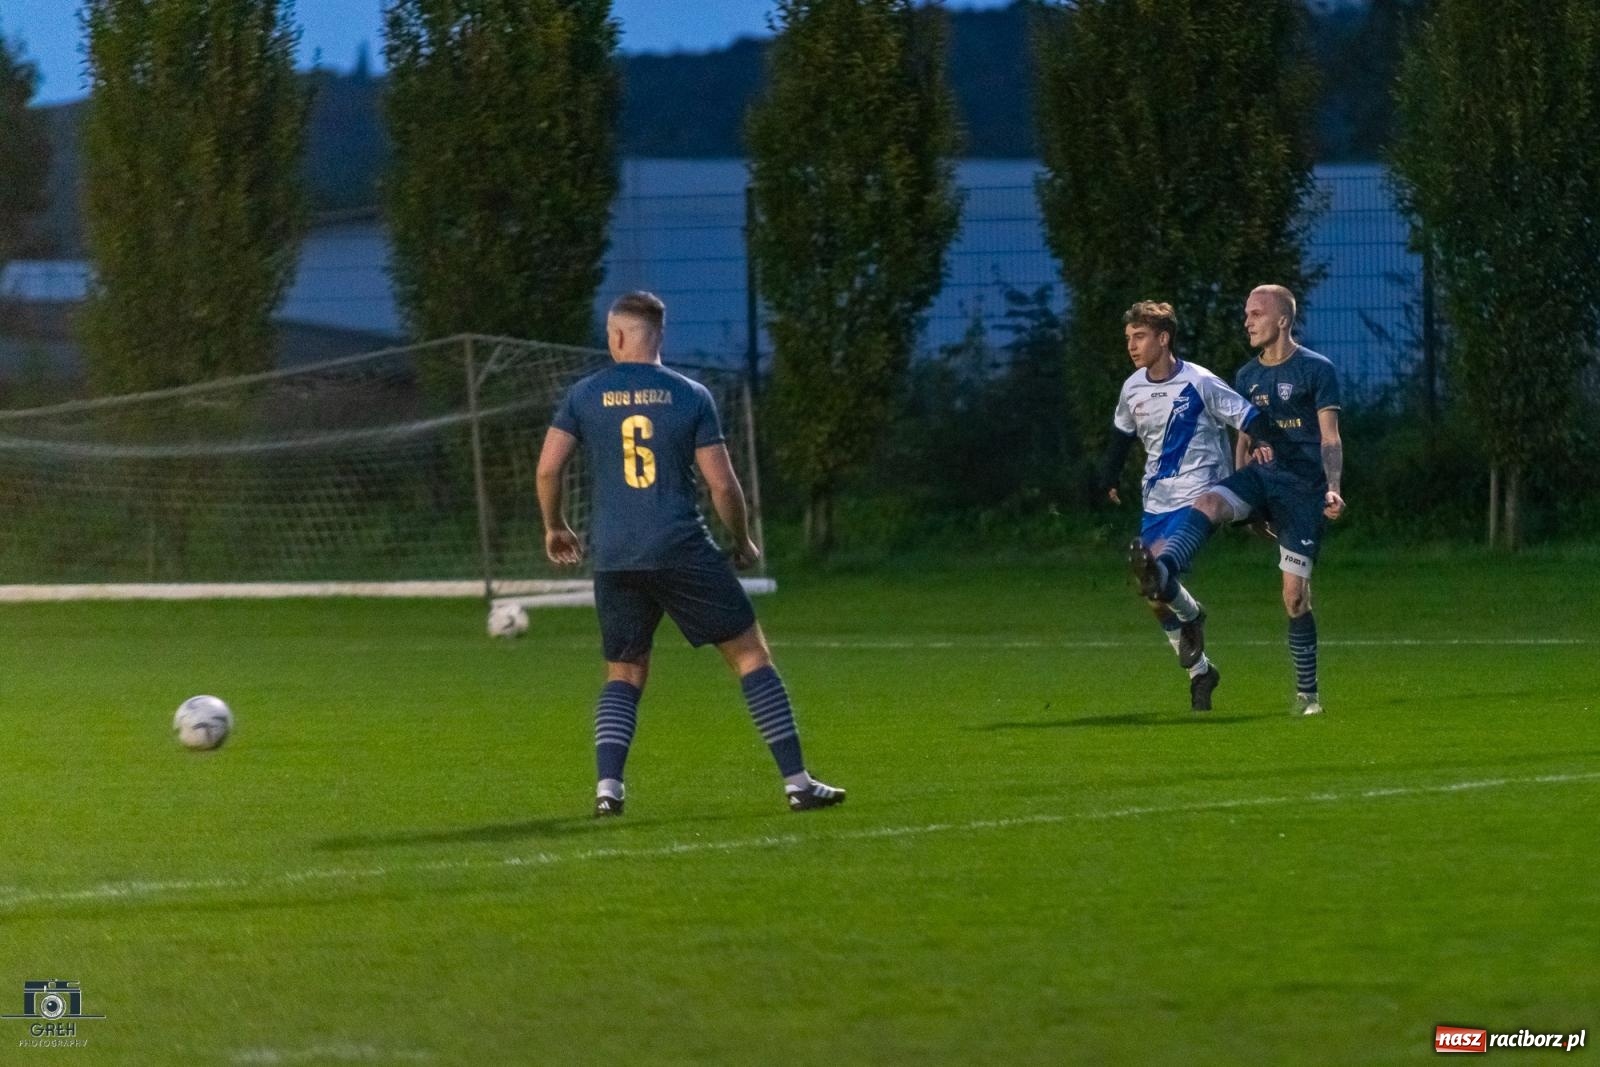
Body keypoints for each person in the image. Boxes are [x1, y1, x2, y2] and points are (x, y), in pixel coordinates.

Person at [536, 290, 845, 816]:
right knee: (750, 655)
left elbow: (547, 469)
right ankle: (797, 782)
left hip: (615, 556)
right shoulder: (690, 395)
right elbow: (722, 486)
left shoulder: (585, 395)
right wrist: (741, 540)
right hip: (680, 547)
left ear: (616, 336)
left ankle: (608, 790)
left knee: (624, 671)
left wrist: (555, 526)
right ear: (660, 335)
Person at [1130, 285, 1345, 716]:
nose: (1247, 321)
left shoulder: (1316, 370)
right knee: (1208, 501)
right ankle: (1164, 571)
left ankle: (1308, 695)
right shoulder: (1247, 375)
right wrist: (1239, 498)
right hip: (1259, 479)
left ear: (1282, 320)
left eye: (1256, 313)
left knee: (1294, 598)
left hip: (1302, 490)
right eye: (1246, 313)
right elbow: (1243, 440)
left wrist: (1333, 485)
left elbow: (1330, 437)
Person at [1100, 301, 1258, 712]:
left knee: (1159, 569)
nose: (1132, 346)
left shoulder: (1200, 382)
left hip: (1201, 495)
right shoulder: (1132, 387)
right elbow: (1121, 435)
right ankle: (1201, 672)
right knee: (1151, 591)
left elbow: (1247, 416)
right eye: (1129, 338)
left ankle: (1193, 618)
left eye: (1140, 337)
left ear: (1163, 338)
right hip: (1157, 502)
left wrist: (1270, 446)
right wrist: (1108, 477)